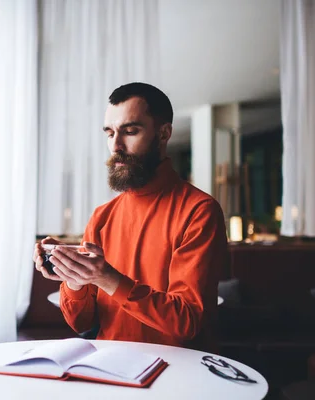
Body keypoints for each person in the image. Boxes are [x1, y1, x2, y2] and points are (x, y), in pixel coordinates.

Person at [33, 82, 227, 351]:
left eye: (130, 131)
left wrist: (108, 279)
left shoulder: (199, 211)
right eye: (110, 133)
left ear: (164, 133)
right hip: (110, 370)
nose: (116, 145)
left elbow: (187, 322)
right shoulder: (102, 217)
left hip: (179, 374)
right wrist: (75, 277)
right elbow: (81, 323)